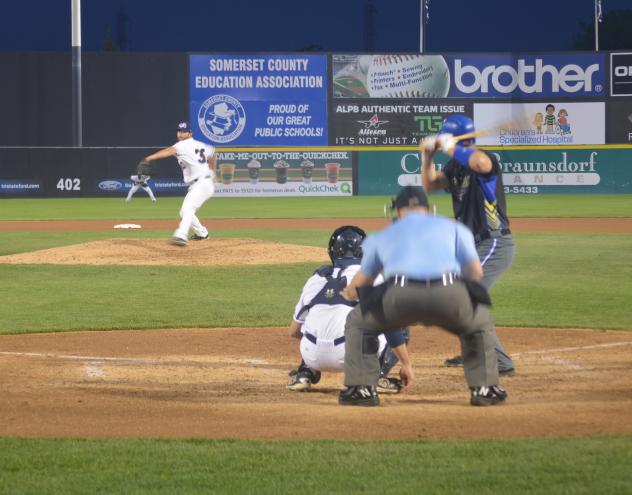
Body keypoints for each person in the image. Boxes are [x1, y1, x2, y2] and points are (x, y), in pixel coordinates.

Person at [338, 186, 507, 407]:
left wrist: (350, 294)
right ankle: (485, 388)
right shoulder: (454, 228)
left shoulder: (382, 236)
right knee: (479, 321)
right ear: (428, 209)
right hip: (448, 292)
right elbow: (476, 273)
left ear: (397, 212)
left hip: (400, 295)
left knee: (358, 322)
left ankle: (360, 389)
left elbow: (361, 282)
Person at [420, 115, 515, 376]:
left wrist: (450, 146)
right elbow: (429, 185)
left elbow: (480, 163)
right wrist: (427, 156)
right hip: (471, 247)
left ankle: (500, 362)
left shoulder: (485, 159)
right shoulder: (454, 166)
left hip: (494, 242)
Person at [287, 225, 407, 394]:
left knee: (315, 318)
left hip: (311, 355)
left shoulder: (315, 278)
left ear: (333, 252)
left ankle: (305, 373)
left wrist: (320, 346)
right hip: (348, 355)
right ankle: (377, 378)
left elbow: (293, 331)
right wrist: (406, 364)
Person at [143, 121, 217, 246]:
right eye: (179, 131)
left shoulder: (182, 145)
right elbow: (213, 153)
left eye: (183, 131)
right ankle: (202, 233)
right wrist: (213, 171)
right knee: (184, 212)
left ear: (190, 133)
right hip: (203, 183)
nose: (180, 134)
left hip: (201, 183)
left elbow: (169, 151)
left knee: (188, 209)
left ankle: (181, 235)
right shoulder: (200, 145)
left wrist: (150, 158)